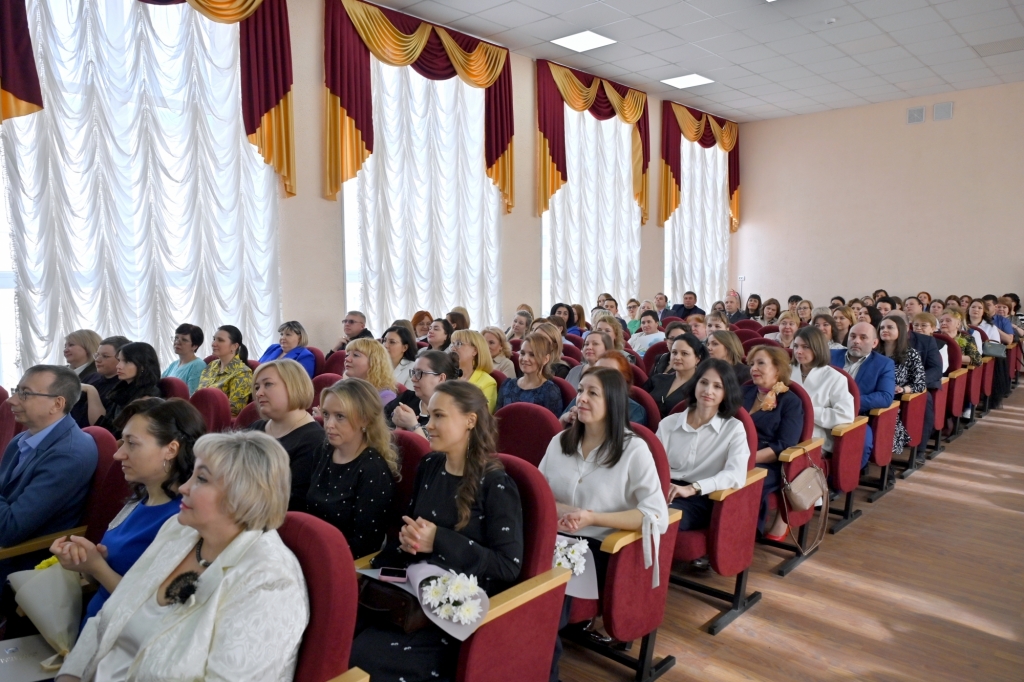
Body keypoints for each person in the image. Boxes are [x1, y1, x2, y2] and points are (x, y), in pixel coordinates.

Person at [55, 431, 309, 682]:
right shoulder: (178, 531)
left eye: (201, 479)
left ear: (243, 496)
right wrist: (70, 675)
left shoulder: (270, 581)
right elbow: (109, 616)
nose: (184, 487)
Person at [351, 382, 524, 682]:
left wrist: (438, 540)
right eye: (429, 415)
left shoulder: (495, 484)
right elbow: (412, 528)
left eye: (439, 416)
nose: (428, 425)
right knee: (339, 630)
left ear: (470, 420)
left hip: (453, 612)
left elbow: (508, 566)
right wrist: (408, 541)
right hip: (412, 594)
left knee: (363, 659)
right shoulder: (430, 465)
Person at [541, 367, 668, 682]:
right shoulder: (560, 441)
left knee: (544, 598)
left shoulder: (633, 449)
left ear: (612, 402)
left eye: (592, 393)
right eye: (580, 390)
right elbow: (538, 496)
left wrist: (592, 517)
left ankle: (545, 672)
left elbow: (655, 515)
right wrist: (566, 510)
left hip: (599, 548)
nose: (581, 398)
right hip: (554, 537)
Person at [51, 398, 204, 622]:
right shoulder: (138, 499)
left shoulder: (184, 518)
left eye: (132, 443)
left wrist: (97, 567)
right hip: (96, 623)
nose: (118, 454)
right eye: (123, 442)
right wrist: (89, 563)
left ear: (171, 450)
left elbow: (153, 611)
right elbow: (108, 577)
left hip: (124, 637)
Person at [1, 366, 98, 590]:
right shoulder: (23, 439)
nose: (11, 400)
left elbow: (9, 529)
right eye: (17, 390)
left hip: (22, 562)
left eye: (25, 393)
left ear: (57, 404)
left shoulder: (68, 455)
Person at [307, 378, 398, 559]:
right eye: (326, 414)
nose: (329, 424)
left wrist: (316, 556)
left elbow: (365, 544)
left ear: (365, 419)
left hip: (343, 560)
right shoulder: (324, 450)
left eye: (340, 416)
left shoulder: (373, 470)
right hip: (314, 548)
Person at [657, 359, 747, 531]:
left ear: (726, 392)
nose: (708, 391)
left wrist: (693, 488)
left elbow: (736, 474)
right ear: (695, 384)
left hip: (700, 497)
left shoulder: (734, 429)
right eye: (703, 383)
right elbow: (652, 464)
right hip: (663, 488)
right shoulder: (668, 423)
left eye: (717, 386)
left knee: (653, 518)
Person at [743, 346, 804, 541]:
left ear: (777, 369)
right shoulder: (743, 392)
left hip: (768, 462)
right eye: (752, 364)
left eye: (760, 363)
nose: (754, 368)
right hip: (735, 453)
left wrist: (747, 459)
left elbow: (784, 445)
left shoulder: (790, 401)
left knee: (741, 482)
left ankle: (740, 538)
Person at [246, 359, 324, 511]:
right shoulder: (256, 428)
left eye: (268, 384)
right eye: (257, 387)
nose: (259, 393)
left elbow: (292, 503)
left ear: (293, 386)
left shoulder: (314, 441)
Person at [830, 323, 896, 468]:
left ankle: (845, 478)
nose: (856, 341)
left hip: (856, 416)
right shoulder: (830, 356)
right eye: (852, 336)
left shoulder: (884, 364)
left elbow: (885, 396)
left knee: (862, 444)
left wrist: (849, 403)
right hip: (824, 410)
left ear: (874, 343)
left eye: (863, 337)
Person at [790, 328, 855, 455]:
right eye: (796, 346)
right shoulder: (785, 372)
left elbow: (845, 415)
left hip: (814, 437)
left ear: (818, 348)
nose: (798, 351)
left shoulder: (835, 378)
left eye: (805, 347)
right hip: (783, 429)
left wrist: (807, 411)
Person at [81, 342, 163, 435]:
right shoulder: (123, 388)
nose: (118, 366)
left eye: (126, 361)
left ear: (143, 365)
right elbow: (104, 424)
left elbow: (127, 434)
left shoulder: (147, 397)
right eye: (119, 360)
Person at [878, 316, 926, 455]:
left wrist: (903, 389)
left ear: (900, 331)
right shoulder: (873, 352)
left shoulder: (911, 354)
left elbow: (920, 384)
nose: (884, 330)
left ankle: (884, 455)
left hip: (895, 398)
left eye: (890, 327)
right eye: (882, 327)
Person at [561, 352, 647, 427]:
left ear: (623, 381)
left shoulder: (633, 411)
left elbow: (620, 439)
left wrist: (583, 427)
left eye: (608, 373)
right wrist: (563, 420)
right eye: (596, 370)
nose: (600, 376)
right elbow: (556, 432)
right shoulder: (582, 397)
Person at [385, 351, 458, 438]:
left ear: (441, 378)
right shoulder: (407, 398)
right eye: (414, 372)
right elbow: (377, 424)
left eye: (419, 373)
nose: (413, 378)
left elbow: (435, 447)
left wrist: (413, 426)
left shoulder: (450, 413)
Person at [496, 332, 562, 417]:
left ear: (545, 359)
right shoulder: (508, 385)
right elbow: (497, 418)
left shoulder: (550, 391)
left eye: (532, 355)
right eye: (522, 353)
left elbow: (552, 424)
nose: (525, 359)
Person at [72, 336, 131, 428]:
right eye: (97, 355)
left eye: (105, 356)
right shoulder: (92, 377)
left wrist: (91, 390)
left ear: (122, 359)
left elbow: (99, 424)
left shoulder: (123, 387)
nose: (97, 360)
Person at [645, 333, 707, 417]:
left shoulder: (701, 388)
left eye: (684, 353)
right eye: (674, 352)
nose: (677, 357)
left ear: (697, 359)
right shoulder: (658, 379)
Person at [196, 326, 253, 417]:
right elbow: (198, 393)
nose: (213, 344)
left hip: (217, 419)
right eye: (214, 339)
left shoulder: (243, 373)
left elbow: (235, 409)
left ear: (234, 346)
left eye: (220, 340)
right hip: (198, 414)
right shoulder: (211, 365)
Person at [451, 329, 498, 413]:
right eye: (452, 344)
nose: (453, 348)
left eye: (458, 344)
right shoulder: (448, 375)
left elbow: (482, 416)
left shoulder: (488, 383)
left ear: (475, 351)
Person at [343, 337, 398, 405]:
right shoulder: (344, 389)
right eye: (347, 355)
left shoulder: (385, 397)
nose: (347, 359)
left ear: (374, 362)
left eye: (355, 355)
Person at [162, 324, 206, 394]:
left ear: (195, 346)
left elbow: (191, 395)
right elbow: (159, 384)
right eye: (176, 338)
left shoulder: (198, 365)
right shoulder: (174, 364)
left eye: (184, 340)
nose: (177, 342)